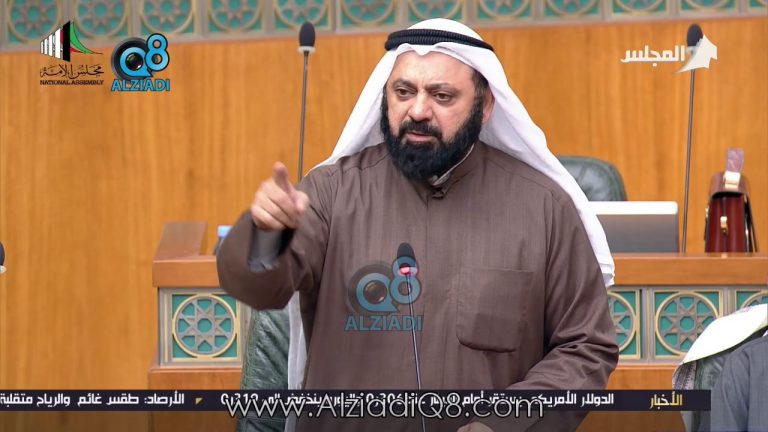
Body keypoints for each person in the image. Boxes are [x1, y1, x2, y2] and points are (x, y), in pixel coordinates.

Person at [217, 18, 618, 432]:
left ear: (485, 106)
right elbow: (261, 287)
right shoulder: (331, 193)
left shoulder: (544, 208)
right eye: (403, 92)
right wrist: (266, 235)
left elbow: (585, 347)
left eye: (442, 96)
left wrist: (502, 425)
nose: (419, 110)